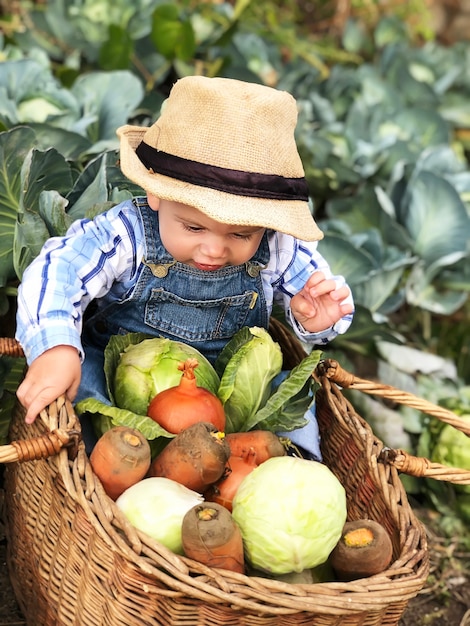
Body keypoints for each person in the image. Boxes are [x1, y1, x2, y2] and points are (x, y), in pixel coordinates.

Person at [15, 75, 354, 457]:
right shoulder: (128, 234)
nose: (213, 250)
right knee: (83, 385)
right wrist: (55, 347)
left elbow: (318, 294)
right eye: (193, 227)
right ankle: (97, 466)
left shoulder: (279, 245)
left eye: (241, 235)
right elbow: (59, 269)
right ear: (155, 193)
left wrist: (317, 318)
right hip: (117, 374)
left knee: (293, 396)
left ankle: (296, 466)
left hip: (226, 399)